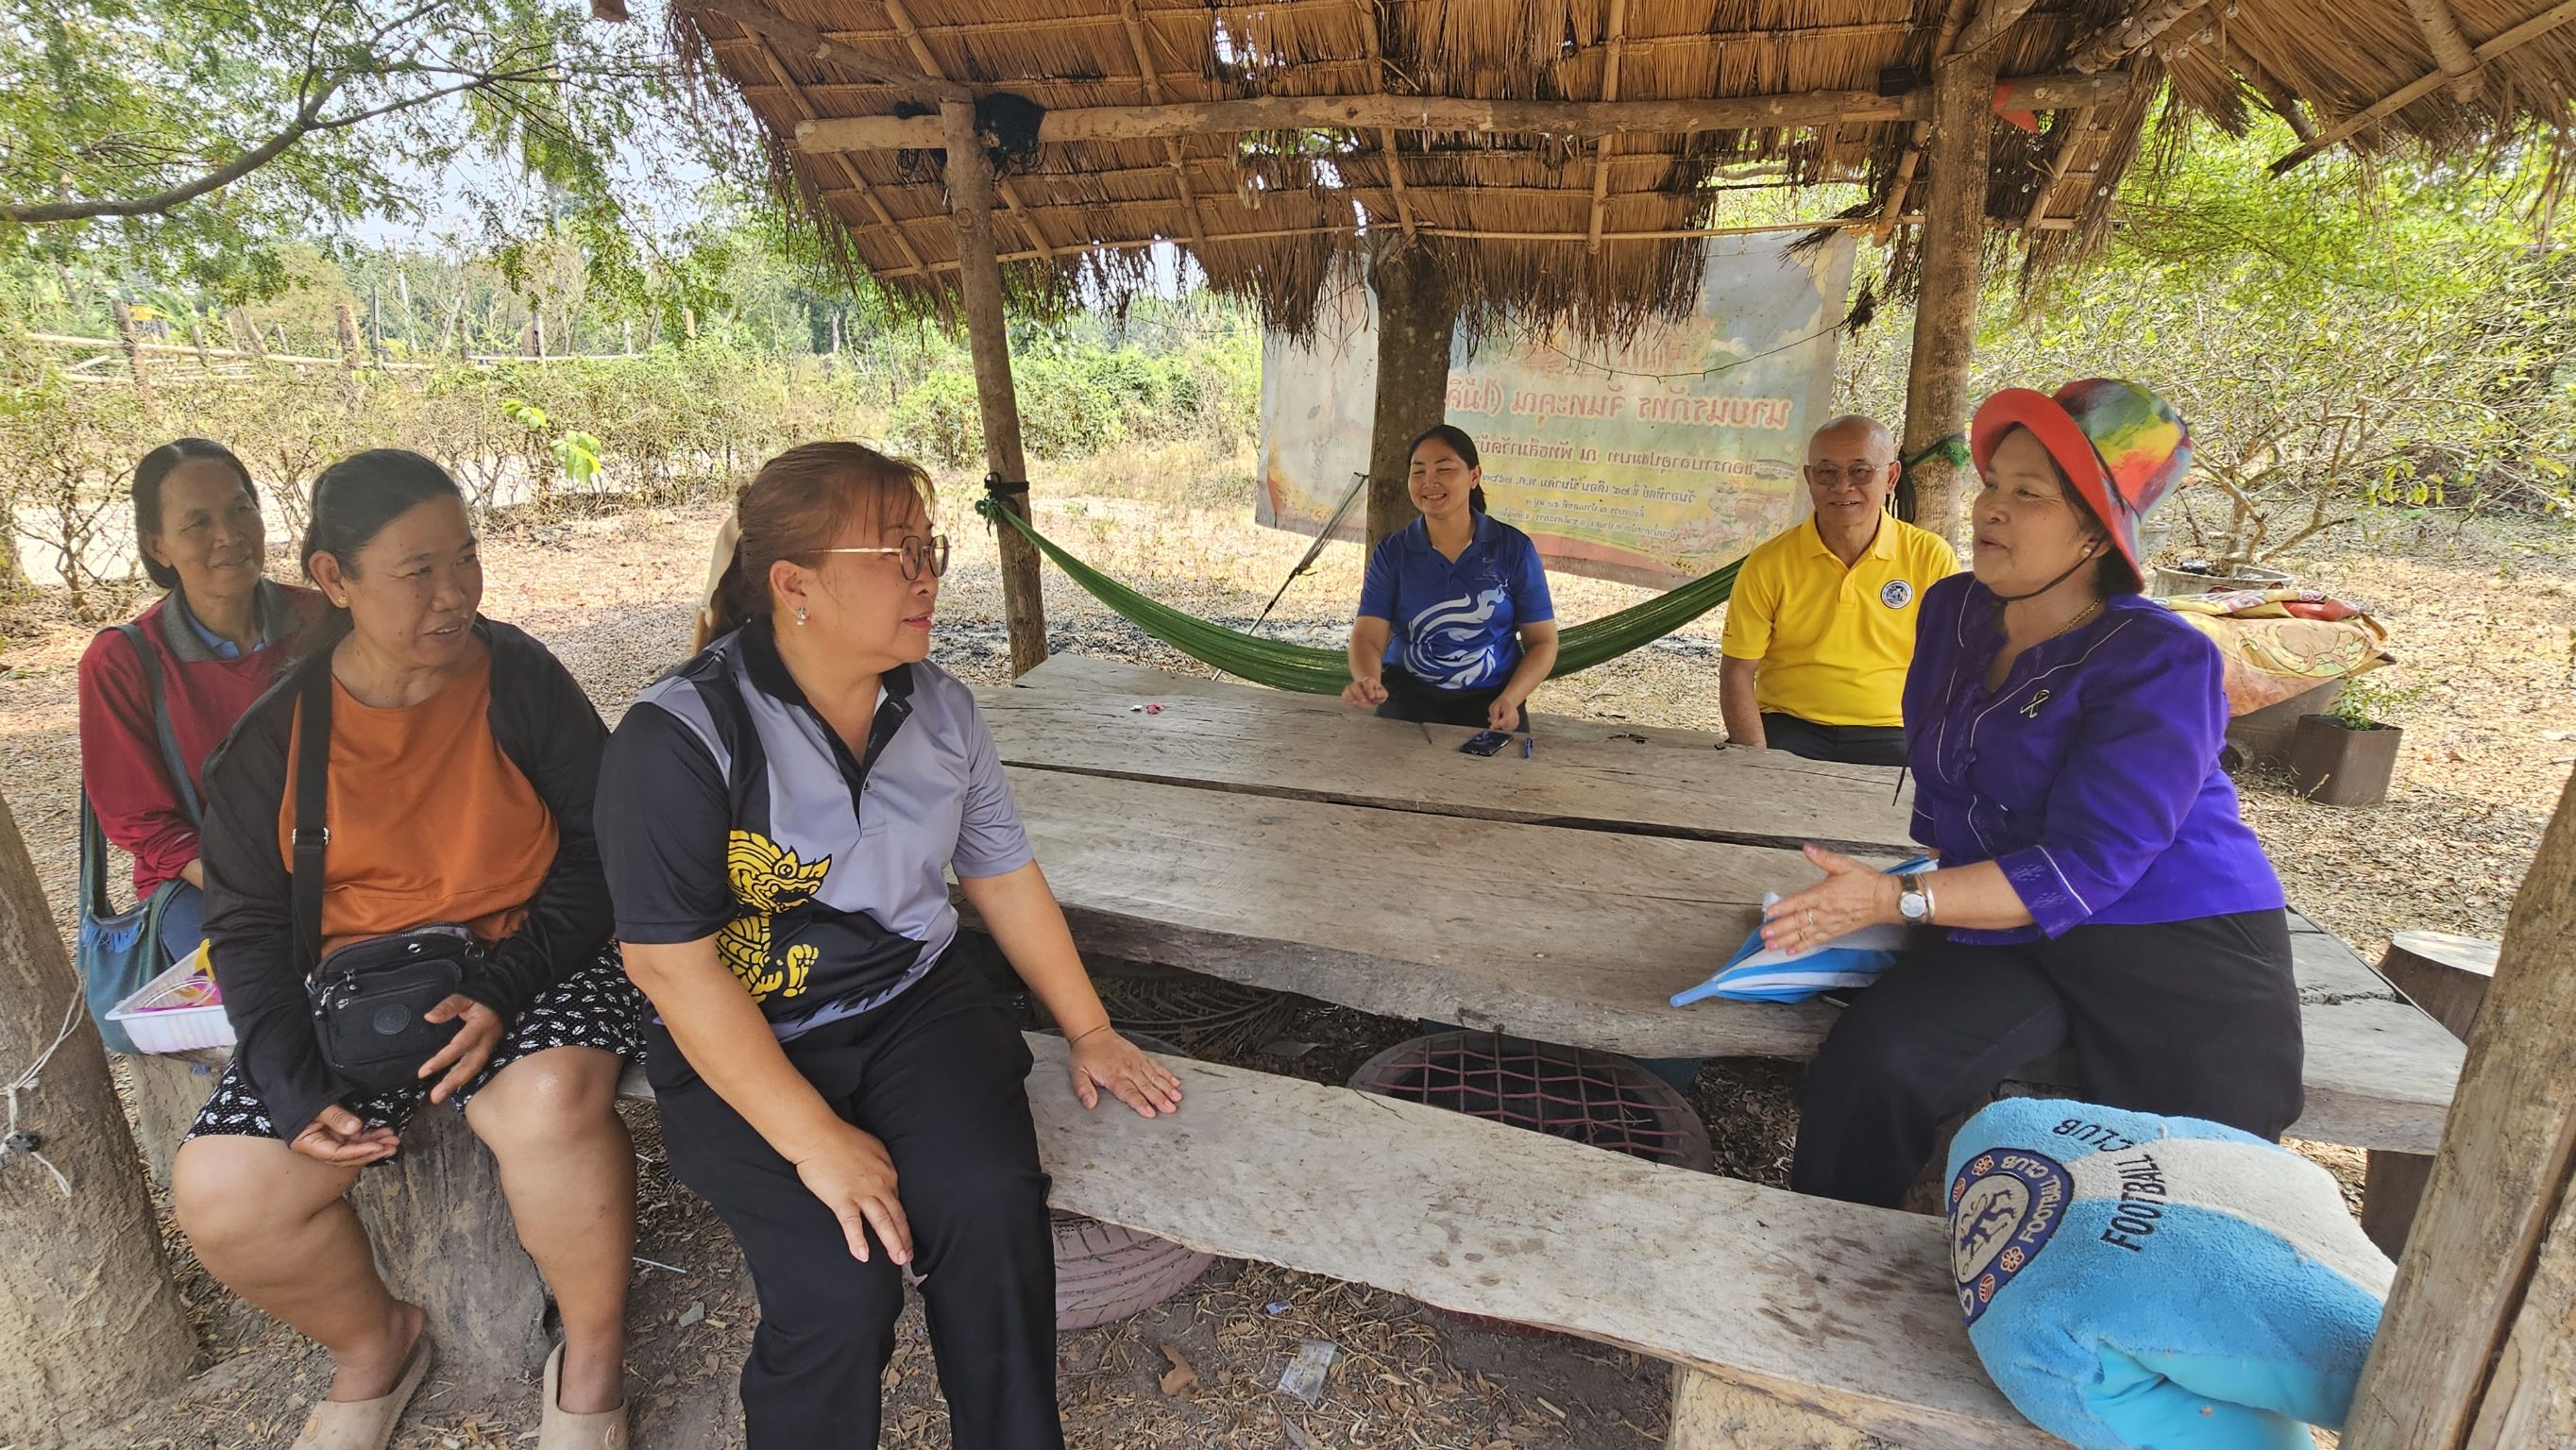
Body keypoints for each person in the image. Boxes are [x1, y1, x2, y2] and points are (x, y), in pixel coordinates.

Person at [598, 442, 1182, 1449]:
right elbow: (669, 966)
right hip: (745, 1041)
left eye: (930, 550)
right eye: (895, 554)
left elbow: (999, 873)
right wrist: (817, 1141)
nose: (926, 578)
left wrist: (1089, 1028)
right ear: (795, 586)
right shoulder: (680, 737)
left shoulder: (943, 708)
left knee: (990, 1210)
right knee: (839, 1287)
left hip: (916, 1006)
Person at [174, 450, 641, 1450]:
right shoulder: (274, 740)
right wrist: (293, 1088)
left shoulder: (516, 677)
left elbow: (605, 852)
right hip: (361, 988)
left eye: (465, 559)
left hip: (536, 954)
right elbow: (248, 929)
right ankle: (376, 1343)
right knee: (225, 1195)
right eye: (417, 570)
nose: (457, 592)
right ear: (333, 579)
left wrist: (506, 988)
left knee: (545, 1102)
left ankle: (591, 1358)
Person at [1771, 380, 2302, 1207]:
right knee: (1876, 1066)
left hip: (2169, 935)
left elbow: (2094, 862)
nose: (1991, 510)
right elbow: (1954, 783)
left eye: (2029, 494)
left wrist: (1896, 899)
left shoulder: (2160, 659)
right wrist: (1914, 894)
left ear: (2095, 531)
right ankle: (1813, 1255)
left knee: (2195, 1176)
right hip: (1999, 910)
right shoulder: (1952, 611)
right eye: (1992, 485)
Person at [77, 439, 322, 969]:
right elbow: (142, 823)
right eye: (197, 523)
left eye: (241, 509)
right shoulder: (123, 661)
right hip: (203, 883)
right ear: (158, 545)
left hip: (341, 859)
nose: (229, 536)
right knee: (266, 989)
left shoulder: (322, 621)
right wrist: (259, 888)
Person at [1719, 414, 1957, 766]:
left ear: (1890, 477)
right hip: (1788, 727)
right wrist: (1756, 762)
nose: (1842, 486)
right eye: (1827, 472)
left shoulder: (1930, 557)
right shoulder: (1768, 563)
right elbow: (1737, 671)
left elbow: (1951, 666)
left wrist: (1935, 749)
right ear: (1809, 479)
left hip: (1893, 729)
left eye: (1861, 471)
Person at [1342, 425, 1559, 732]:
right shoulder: (1394, 552)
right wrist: (1367, 680)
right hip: (1408, 694)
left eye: (1444, 469)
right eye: (1418, 472)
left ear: (1474, 476)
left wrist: (1512, 699)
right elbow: (1367, 636)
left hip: (1492, 698)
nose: (1430, 481)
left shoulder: (1513, 549)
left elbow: (1543, 641)